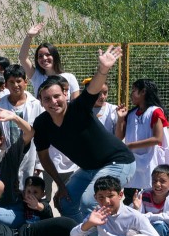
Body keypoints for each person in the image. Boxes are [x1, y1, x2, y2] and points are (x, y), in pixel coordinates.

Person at [33, 46, 135, 222]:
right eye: (47, 99)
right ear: (41, 102)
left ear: (65, 94)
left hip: (119, 162)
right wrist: (60, 184)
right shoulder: (41, 124)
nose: (53, 102)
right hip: (90, 168)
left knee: (91, 201)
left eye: (57, 96)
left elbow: (93, 88)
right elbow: (43, 157)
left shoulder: (78, 108)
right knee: (65, 202)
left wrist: (103, 69)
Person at [117, 78, 169, 197]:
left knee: (149, 197)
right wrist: (120, 119)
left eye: (134, 90)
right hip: (132, 162)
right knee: (130, 198)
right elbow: (119, 136)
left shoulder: (155, 112)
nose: (131, 94)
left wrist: (130, 145)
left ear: (143, 92)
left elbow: (157, 138)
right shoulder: (131, 114)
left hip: (150, 161)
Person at [18, 22, 80, 98]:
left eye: (48, 55)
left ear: (55, 56)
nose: (44, 58)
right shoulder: (37, 77)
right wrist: (29, 36)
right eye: (40, 56)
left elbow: (76, 104)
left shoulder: (69, 77)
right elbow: (22, 58)